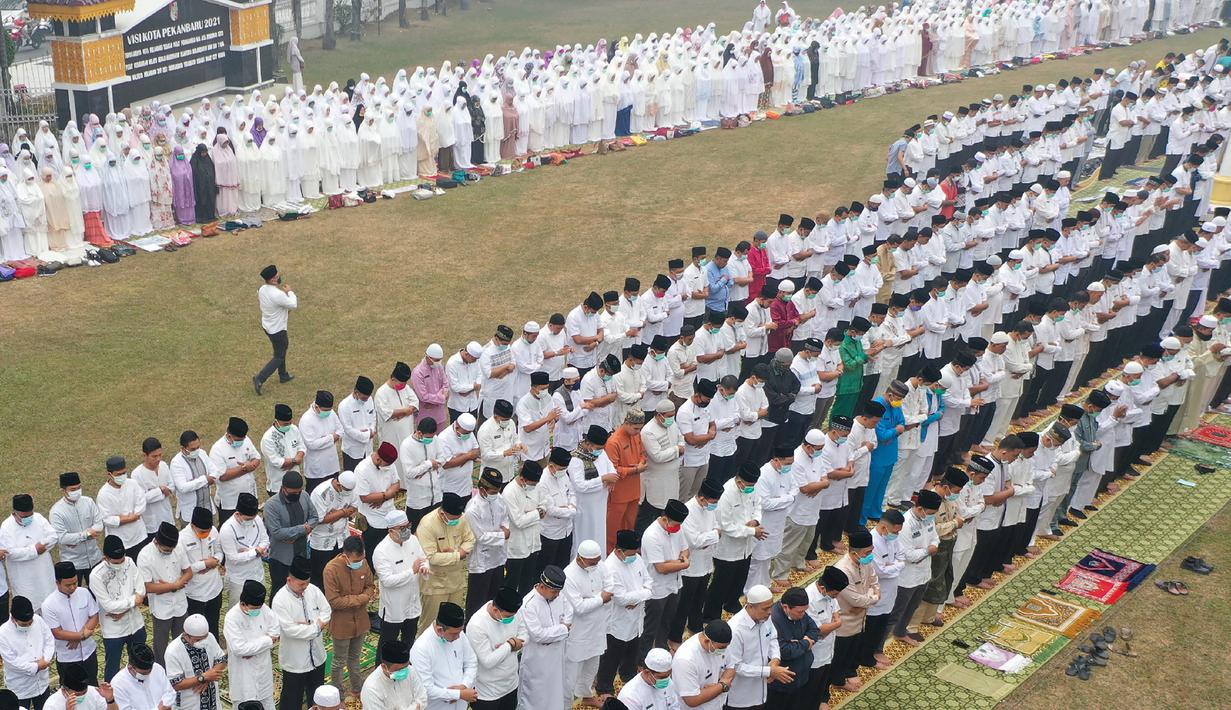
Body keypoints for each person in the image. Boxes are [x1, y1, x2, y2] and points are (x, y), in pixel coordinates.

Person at [272, 557, 331, 710]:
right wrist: (316, 627)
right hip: (295, 660)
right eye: (301, 584)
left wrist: (311, 624)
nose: (305, 587)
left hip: (317, 656)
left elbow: (326, 611)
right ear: (289, 580)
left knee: (317, 697)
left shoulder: (313, 590)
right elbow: (290, 630)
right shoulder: (280, 600)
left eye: (307, 583)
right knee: (292, 699)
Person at [323, 536, 374, 700]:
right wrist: (361, 599)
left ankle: (357, 690)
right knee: (339, 661)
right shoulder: (331, 569)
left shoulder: (363, 563)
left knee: (355, 658)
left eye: (362, 558)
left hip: (360, 620)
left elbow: (370, 586)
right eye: (356, 560)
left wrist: (362, 597)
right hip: (341, 623)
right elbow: (334, 602)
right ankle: (337, 695)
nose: (360, 562)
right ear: (345, 556)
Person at [726, 585, 793, 709]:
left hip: (761, 692)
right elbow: (735, 666)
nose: (770, 612)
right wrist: (769, 671)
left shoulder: (765, 617)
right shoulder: (735, 630)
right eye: (766, 608)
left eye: (771, 607)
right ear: (750, 606)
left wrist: (775, 659)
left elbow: (772, 637)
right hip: (740, 698)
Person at [562, 539, 611, 707]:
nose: (596, 565)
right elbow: (579, 607)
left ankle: (586, 694)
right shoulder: (569, 575)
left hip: (597, 627)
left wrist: (593, 599)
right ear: (580, 558)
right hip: (579, 631)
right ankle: (565, 704)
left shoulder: (599, 565)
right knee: (571, 672)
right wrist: (600, 598)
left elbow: (610, 585)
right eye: (592, 562)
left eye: (597, 561)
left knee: (592, 665)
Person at [91, 535, 146, 681]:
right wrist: (133, 602)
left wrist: (125, 609)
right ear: (105, 558)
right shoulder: (96, 576)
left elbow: (141, 590)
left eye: (122, 559)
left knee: (139, 663)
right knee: (112, 669)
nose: (121, 563)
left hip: (136, 624)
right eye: (116, 562)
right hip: (113, 631)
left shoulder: (129, 562)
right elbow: (109, 605)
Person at [418, 493, 476, 632]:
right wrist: (458, 555)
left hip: (456, 580)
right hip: (435, 584)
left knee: (453, 623)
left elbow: (471, 539)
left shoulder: (461, 518)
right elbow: (431, 557)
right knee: (430, 625)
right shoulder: (427, 524)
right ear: (443, 513)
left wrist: (459, 551)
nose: (456, 520)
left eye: (458, 517)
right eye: (453, 518)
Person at [639, 499, 690, 657]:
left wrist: (677, 561)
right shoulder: (651, 535)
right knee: (650, 628)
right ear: (665, 518)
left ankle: (662, 652)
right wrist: (683, 564)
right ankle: (643, 659)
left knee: (666, 623)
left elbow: (686, 550)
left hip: (674, 585)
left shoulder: (677, 528)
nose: (676, 528)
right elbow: (660, 568)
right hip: (656, 589)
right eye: (674, 524)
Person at [518, 565, 572, 710]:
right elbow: (538, 635)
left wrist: (560, 629)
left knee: (556, 690)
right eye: (555, 591)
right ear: (543, 586)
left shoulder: (558, 596)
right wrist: (563, 629)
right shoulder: (529, 604)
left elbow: (569, 612)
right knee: (535, 696)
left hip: (557, 654)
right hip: (537, 659)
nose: (558, 595)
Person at [138, 521, 191, 664]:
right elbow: (147, 587)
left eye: (171, 550)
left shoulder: (178, 547)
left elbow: (188, 572)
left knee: (182, 642)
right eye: (166, 550)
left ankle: (181, 668)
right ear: (156, 542)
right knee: (161, 646)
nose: (169, 552)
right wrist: (174, 586)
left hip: (180, 604)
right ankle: (162, 672)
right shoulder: (145, 555)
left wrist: (173, 585)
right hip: (161, 609)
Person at [832, 530, 879, 691]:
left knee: (853, 649)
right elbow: (854, 600)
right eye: (868, 552)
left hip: (860, 618)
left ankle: (849, 671)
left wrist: (869, 597)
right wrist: (872, 597)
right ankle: (838, 680)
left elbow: (875, 582)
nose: (871, 555)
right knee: (840, 654)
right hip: (845, 622)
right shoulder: (842, 570)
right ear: (854, 553)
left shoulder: (865, 562)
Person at [465, 586, 525, 710]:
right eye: (508, 616)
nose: (511, 619)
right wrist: (510, 645)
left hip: (511, 683)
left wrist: (508, 647)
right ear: (495, 609)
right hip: (488, 692)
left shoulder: (514, 611)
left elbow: (525, 634)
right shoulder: (477, 625)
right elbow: (488, 661)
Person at [410, 601, 479, 708]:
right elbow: (426, 688)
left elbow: (471, 662)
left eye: (460, 631)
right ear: (440, 630)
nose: (458, 637)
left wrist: (464, 685)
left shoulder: (459, 635)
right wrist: (458, 694)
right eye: (455, 633)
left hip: (461, 703)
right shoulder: (421, 648)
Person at [224, 580, 279, 710]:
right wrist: (267, 641)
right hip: (244, 675)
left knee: (267, 704)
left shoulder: (262, 609)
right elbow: (239, 649)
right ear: (243, 604)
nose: (257, 611)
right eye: (254, 609)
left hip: (263, 671)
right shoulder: (232, 618)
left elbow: (275, 630)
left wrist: (253, 650)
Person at [42, 561, 99, 684]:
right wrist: (82, 635)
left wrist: (78, 638)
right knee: (71, 692)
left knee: (93, 686)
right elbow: (57, 632)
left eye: (75, 583)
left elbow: (94, 615)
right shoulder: (49, 604)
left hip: (89, 652)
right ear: (57, 582)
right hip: (67, 657)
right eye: (68, 585)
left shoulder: (84, 593)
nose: (73, 587)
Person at [264, 471, 319, 597]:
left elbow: (314, 517)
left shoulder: (304, 496)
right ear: (283, 489)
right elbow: (276, 532)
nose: (296, 495)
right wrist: (302, 529)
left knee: (300, 589)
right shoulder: (271, 505)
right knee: (279, 591)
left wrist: (294, 533)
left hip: (301, 553)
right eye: (292, 493)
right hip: (281, 558)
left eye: (298, 492)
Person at [464, 469, 509, 618]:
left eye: (498, 490)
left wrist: (505, 528)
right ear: (482, 490)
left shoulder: (499, 499)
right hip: (481, 562)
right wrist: (502, 534)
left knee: (494, 598)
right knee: (477, 603)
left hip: (498, 557)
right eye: (493, 491)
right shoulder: (472, 509)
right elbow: (481, 537)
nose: (496, 494)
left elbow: (505, 518)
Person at [1, 494, 57, 613]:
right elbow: (10, 553)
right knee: (30, 608)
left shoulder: (38, 518)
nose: (29, 518)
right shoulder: (6, 527)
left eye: (30, 514)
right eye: (25, 516)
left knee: (50, 605)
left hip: (44, 573)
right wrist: (34, 550)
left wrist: (41, 545)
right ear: (15, 513)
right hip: (23, 579)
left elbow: (53, 537)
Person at [769, 587, 819, 708]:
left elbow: (814, 630)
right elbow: (784, 651)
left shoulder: (799, 612)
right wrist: (806, 643)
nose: (803, 615)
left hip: (801, 675)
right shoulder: (773, 620)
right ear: (786, 607)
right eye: (800, 612)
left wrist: (798, 643)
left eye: (804, 611)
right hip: (781, 682)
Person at [49, 471, 104, 584]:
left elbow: (99, 525)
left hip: (95, 558)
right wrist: (87, 535)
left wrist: (75, 539)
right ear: (63, 490)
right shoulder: (56, 512)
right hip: (73, 563)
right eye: (73, 489)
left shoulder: (88, 502)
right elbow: (62, 538)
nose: (77, 491)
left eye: (78, 488)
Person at [0, 596, 54, 709]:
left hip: (42, 682)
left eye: (30, 623)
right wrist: (36, 666)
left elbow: (49, 640)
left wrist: (46, 659)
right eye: (24, 624)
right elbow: (12, 662)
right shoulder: (3, 633)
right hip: (20, 687)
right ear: (13, 619)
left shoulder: (38, 620)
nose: (29, 626)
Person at [164, 613, 226, 710]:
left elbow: (221, 660)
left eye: (205, 637)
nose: (203, 641)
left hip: (212, 699)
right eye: (198, 640)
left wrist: (207, 679)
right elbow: (175, 684)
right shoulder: (173, 651)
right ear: (186, 635)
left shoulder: (209, 637)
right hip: (189, 702)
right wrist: (202, 678)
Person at [180, 507, 224, 639]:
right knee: (195, 628)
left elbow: (219, 551)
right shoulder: (181, 539)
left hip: (214, 587)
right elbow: (183, 568)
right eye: (202, 532)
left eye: (208, 531)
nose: (206, 534)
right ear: (192, 525)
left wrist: (216, 560)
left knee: (213, 622)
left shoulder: (213, 531)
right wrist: (204, 565)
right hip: (194, 592)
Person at [309, 470, 358, 587]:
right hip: (323, 540)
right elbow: (320, 519)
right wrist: (343, 512)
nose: (348, 493)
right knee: (321, 576)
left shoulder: (351, 489)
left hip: (342, 537)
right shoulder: (321, 493)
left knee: (341, 572)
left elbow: (354, 508)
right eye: (346, 490)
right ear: (338, 484)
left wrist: (335, 514)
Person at [253, 264, 297, 395]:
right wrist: (290, 291)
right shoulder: (277, 294)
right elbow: (293, 304)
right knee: (279, 355)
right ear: (272, 279)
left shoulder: (262, 289)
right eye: (277, 276)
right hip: (278, 330)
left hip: (268, 326)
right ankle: (260, 378)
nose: (279, 277)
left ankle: (283, 375)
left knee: (280, 351)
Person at [208, 417, 261, 524]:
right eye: (238, 440)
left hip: (250, 496)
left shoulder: (245, 440)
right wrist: (245, 468)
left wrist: (252, 464)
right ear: (229, 436)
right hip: (230, 503)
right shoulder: (217, 449)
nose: (241, 442)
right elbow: (222, 476)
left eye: (243, 439)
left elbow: (257, 458)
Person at [672, 619, 734, 710]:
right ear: (706, 641)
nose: (724, 650)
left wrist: (717, 686)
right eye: (722, 648)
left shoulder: (719, 644)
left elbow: (731, 668)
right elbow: (692, 700)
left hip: (717, 705)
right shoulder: (686, 659)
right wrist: (722, 686)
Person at [218, 493, 269, 601]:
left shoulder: (257, 520)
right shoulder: (227, 529)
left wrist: (253, 551)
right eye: (247, 519)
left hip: (258, 574)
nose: (250, 521)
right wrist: (255, 552)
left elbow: (265, 540)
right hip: (239, 580)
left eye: (253, 518)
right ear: (238, 514)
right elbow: (232, 557)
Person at [356, 442, 401, 563]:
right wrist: (386, 495)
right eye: (385, 465)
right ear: (377, 458)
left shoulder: (389, 464)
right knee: (372, 553)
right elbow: (364, 497)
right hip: (372, 519)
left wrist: (383, 497)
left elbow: (396, 484)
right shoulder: (362, 470)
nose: (388, 467)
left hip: (390, 514)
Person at [375, 362, 419, 470]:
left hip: (407, 433)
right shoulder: (381, 393)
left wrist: (403, 412)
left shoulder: (405, 388)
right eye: (401, 383)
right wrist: (406, 411)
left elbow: (415, 402)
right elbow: (387, 413)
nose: (403, 386)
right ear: (393, 379)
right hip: (391, 437)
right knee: (394, 463)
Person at [360, 639, 428, 709]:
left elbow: (422, 698)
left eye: (406, 666)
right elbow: (418, 705)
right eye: (399, 669)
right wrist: (415, 707)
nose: (404, 671)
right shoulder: (372, 689)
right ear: (384, 667)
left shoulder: (410, 670)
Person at [109, 643, 176, 710]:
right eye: (144, 673)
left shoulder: (157, 668)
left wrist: (165, 704)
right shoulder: (118, 684)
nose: (148, 675)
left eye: (150, 671)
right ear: (130, 667)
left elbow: (170, 693)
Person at [299, 391, 344, 490]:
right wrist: (331, 438)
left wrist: (323, 440)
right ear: (317, 406)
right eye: (325, 410)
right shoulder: (306, 420)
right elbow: (311, 444)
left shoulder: (331, 413)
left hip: (332, 465)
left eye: (330, 409)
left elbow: (340, 430)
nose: (328, 412)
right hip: (316, 470)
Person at [260, 405, 306, 497]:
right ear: (276, 422)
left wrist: (297, 459)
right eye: (285, 424)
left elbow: (301, 447)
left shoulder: (294, 429)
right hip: (278, 486)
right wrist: (295, 461)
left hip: (296, 483)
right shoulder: (268, 439)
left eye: (290, 422)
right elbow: (275, 461)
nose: (288, 425)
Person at [338, 376, 377, 473]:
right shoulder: (344, 406)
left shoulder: (369, 400)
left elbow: (373, 417)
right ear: (356, 392)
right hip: (352, 451)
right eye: (363, 398)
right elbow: (348, 429)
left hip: (368, 449)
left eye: (367, 398)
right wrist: (367, 435)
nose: (365, 400)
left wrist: (371, 429)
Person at [44, 663, 116, 710]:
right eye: (77, 694)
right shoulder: (52, 706)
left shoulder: (94, 692)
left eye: (84, 692)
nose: (82, 696)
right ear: (64, 690)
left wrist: (110, 700)